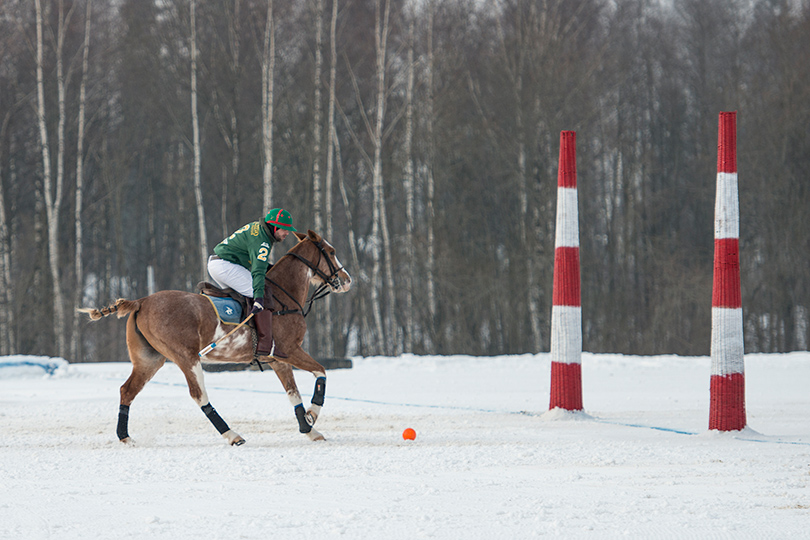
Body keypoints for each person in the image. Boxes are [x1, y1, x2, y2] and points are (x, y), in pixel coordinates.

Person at [207, 208, 297, 359]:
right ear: (274, 227)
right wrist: (259, 297)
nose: (287, 233)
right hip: (225, 266)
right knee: (262, 292)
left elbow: (253, 258)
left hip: (219, 263)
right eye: (284, 229)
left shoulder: (258, 229)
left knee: (245, 296)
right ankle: (266, 345)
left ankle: (243, 337)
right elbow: (258, 271)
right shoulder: (263, 241)